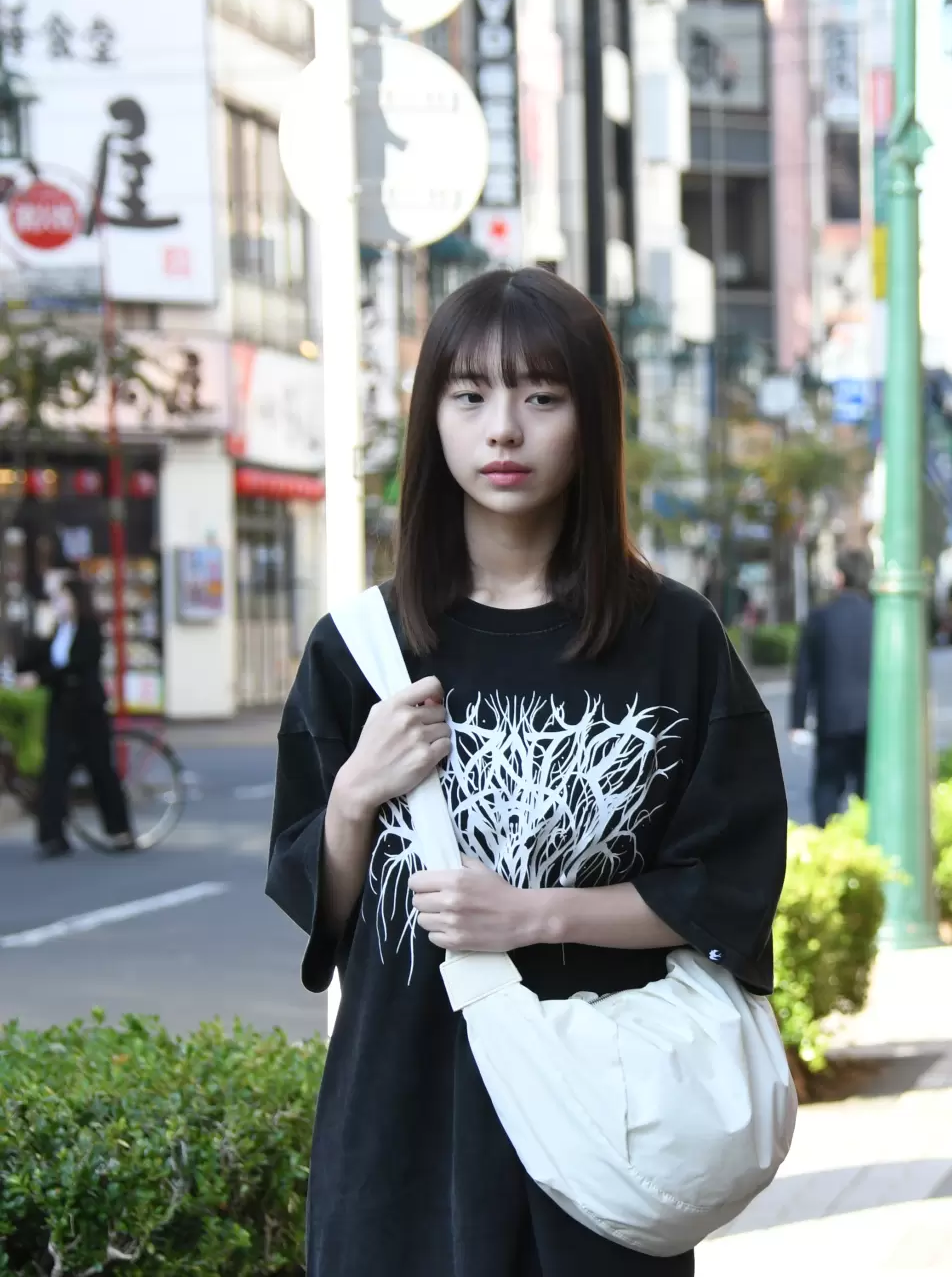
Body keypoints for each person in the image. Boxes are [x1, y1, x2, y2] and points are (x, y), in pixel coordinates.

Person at [266, 267, 788, 1277]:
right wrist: (353, 794)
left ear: (593, 422)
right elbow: (315, 904)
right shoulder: (362, 646)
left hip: (604, 1129)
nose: (503, 429)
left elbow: (726, 889)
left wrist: (535, 915)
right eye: (470, 396)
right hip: (404, 1126)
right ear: (433, 420)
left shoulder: (672, 637)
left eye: (541, 397)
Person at [19, 574, 134, 857]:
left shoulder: (89, 629)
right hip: (61, 711)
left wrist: (41, 677)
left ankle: (120, 831)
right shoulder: (57, 630)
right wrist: (38, 635)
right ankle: (52, 837)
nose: (57, 603)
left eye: (62, 598)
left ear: (76, 599)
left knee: (101, 771)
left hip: (88, 712)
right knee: (54, 773)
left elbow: (78, 665)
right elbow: (33, 660)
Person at [789, 546, 874, 824]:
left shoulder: (821, 617)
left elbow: (804, 673)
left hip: (832, 720)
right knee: (868, 791)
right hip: (873, 720)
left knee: (827, 789)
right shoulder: (880, 617)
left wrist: (797, 721)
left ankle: (827, 838)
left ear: (840, 577)